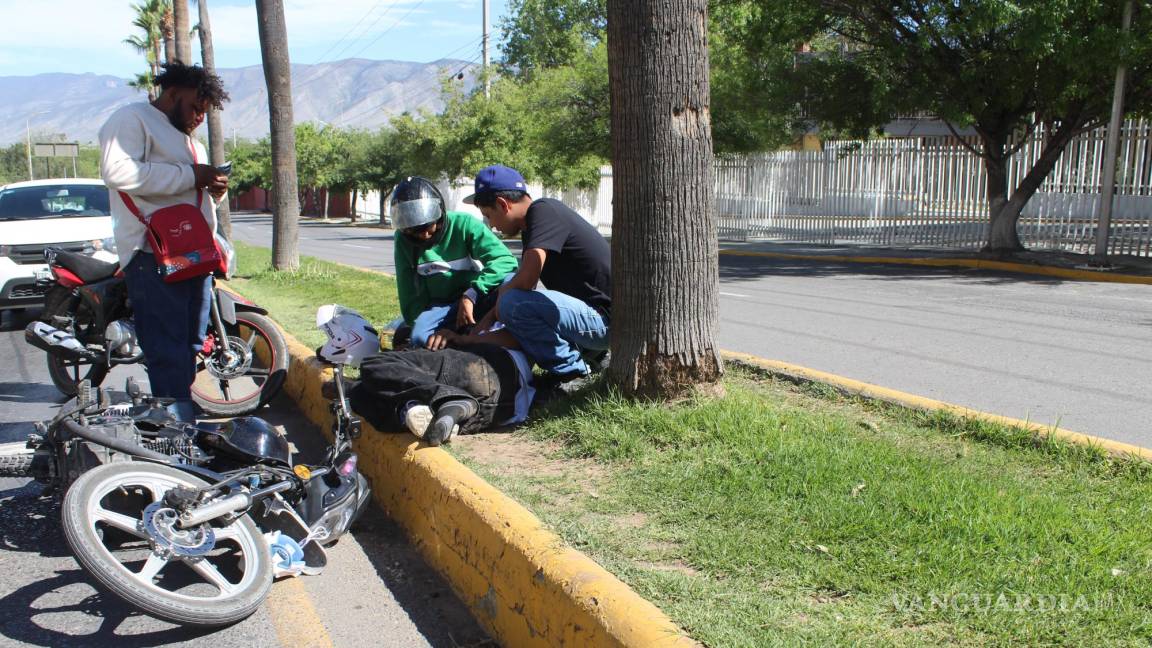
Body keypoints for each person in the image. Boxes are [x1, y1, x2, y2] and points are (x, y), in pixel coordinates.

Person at [99, 62, 230, 422]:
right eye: (195, 108)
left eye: (205, 112)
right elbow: (118, 172)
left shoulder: (190, 141)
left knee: (189, 343)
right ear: (172, 95)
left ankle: (179, 413)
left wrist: (212, 190)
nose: (199, 117)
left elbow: (183, 196)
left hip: (193, 256)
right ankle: (176, 426)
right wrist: (191, 175)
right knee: (166, 347)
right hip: (150, 254)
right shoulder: (132, 119)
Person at [464, 165, 611, 384]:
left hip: (605, 321)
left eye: (488, 216)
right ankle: (592, 356)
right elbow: (526, 306)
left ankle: (573, 374)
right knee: (513, 302)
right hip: (597, 320)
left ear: (503, 204)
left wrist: (498, 305)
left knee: (512, 302)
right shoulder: (534, 226)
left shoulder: (543, 211)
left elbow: (526, 281)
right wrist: (474, 336)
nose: (492, 226)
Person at [316, 303, 534, 447]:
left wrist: (466, 339)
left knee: (374, 364)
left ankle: (356, 390)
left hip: (489, 365)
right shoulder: (491, 313)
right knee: (369, 400)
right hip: (500, 409)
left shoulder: (500, 312)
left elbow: (515, 335)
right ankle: (425, 408)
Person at [390, 176, 518, 350]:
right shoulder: (403, 241)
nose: (424, 236)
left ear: (439, 215)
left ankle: (496, 333)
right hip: (443, 305)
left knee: (511, 280)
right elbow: (409, 292)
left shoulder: (463, 224)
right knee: (420, 337)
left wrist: (471, 294)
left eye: (428, 228)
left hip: (481, 295)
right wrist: (421, 326)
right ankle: (459, 339)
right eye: (415, 232)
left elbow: (505, 261)